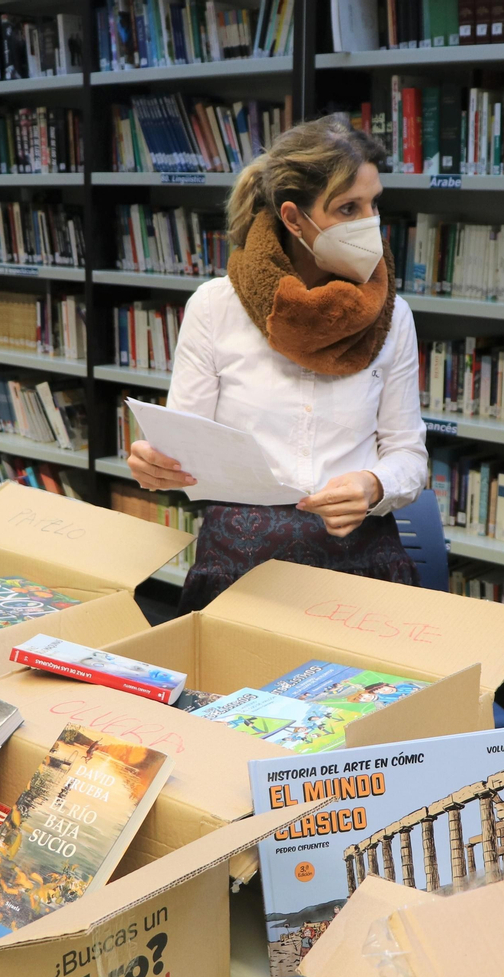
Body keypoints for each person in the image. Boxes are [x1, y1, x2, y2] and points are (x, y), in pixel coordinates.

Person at [126, 117, 427, 612]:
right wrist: (156, 464)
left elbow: (408, 454)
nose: (370, 224)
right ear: (293, 219)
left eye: (374, 205)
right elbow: (184, 451)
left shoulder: (392, 315)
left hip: (359, 563)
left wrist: (375, 484)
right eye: (348, 208)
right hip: (241, 570)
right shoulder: (215, 306)